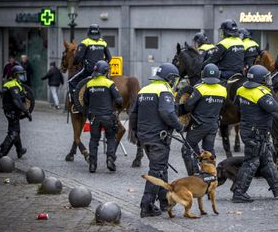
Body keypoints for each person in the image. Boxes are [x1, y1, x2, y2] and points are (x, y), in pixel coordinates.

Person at [232, 65, 278, 203]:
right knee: (251, 162)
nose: (268, 80)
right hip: (256, 133)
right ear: (259, 79)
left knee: (266, 160)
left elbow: (237, 105)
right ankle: (239, 192)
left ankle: (276, 186)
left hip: (249, 130)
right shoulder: (261, 94)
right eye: (266, 78)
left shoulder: (241, 89)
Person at [129, 63, 184, 218]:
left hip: (145, 137)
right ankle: (146, 206)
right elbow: (166, 112)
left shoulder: (144, 89)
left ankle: (165, 202)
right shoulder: (164, 91)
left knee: (161, 168)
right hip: (157, 138)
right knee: (157, 170)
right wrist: (179, 126)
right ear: (170, 78)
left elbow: (133, 114)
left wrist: (136, 133)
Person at [180, 63, 227, 175]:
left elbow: (188, 106)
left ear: (203, 75)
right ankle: (210, 175)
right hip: (213, 125)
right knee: (209, 151)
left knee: (187, 149)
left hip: (199, 125)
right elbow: (223, 107)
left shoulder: (199, 88)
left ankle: (195, 175)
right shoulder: (223, 90)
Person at [83, 60, 123, 173]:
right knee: (110, 138)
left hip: (94, 118)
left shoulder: (90, 83)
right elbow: (119, 100)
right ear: (105, 71)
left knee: (94, 140)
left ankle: (92, 165)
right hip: (108, 117)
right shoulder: (109, 83)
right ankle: (110, 160)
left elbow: (85, 100)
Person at [69, 24, 112, 108]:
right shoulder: (103, 43)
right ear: (99, 32)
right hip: (102, 71)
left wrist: (78, 62)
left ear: (89, 32)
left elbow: (78, 58)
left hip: (88, 70)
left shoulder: (85, 42)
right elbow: (109, 58)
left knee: (71, 81)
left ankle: (76, 105)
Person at [0, 65, 32, 162]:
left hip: (13, 112)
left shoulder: (17, 83)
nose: (22, 76)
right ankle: (1, 156)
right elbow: (17, 101)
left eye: (22, 74)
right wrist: (27, 112)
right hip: (11, 112)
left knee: (16, 131)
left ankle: (19, 150)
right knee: (13, 133)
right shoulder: (13, 85)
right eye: (20, 74)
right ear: (15, 75)